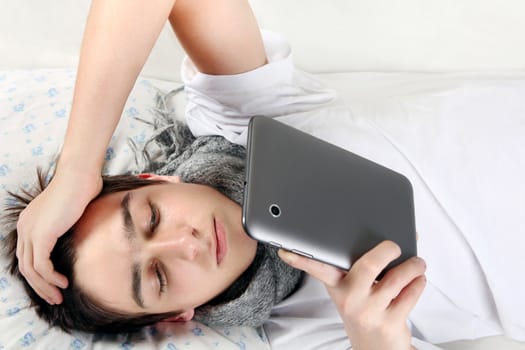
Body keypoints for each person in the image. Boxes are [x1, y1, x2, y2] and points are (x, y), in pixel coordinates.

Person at [5, 0, 523, 349]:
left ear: (156, 181)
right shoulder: (305, 333)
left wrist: (78, 167)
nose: (184, 244)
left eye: (152, 218)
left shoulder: (247, 127)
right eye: (159, 278)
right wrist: (378, 341)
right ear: (179, 317)